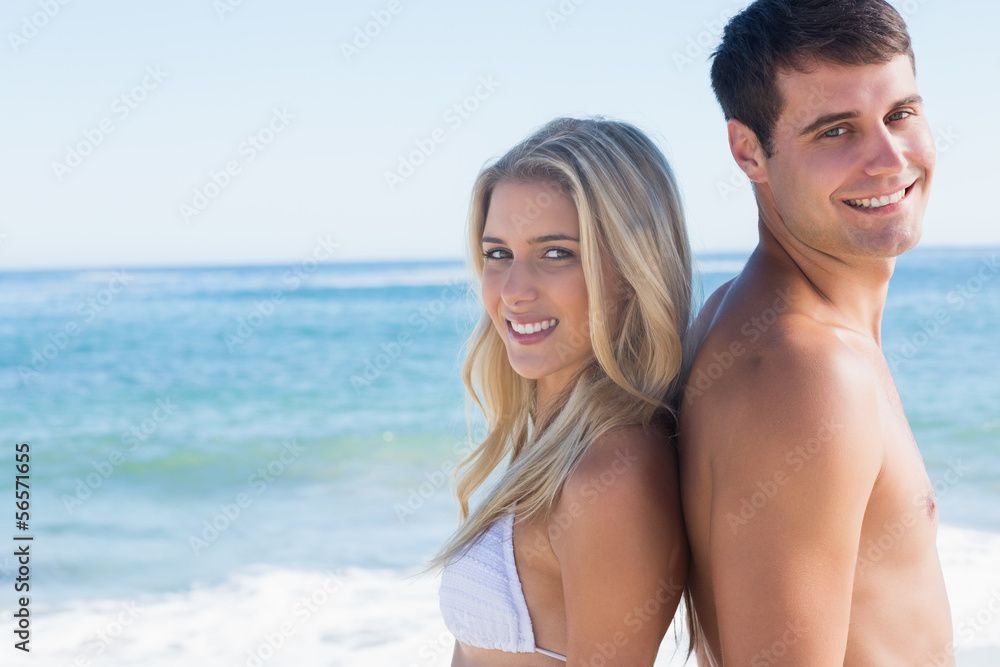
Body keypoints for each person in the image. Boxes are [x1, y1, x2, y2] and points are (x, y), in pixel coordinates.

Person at [679, 0, 954, 665]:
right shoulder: (806, 371)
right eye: (837, 131)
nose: (888, 159)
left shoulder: (749, 316)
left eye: (900, 114)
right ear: (750, 152)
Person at [431, 117, 693, 665]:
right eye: (498, 253)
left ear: (631, 269)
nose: (513, 292)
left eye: (556, 253)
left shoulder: (610, 472)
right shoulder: (559, 443)